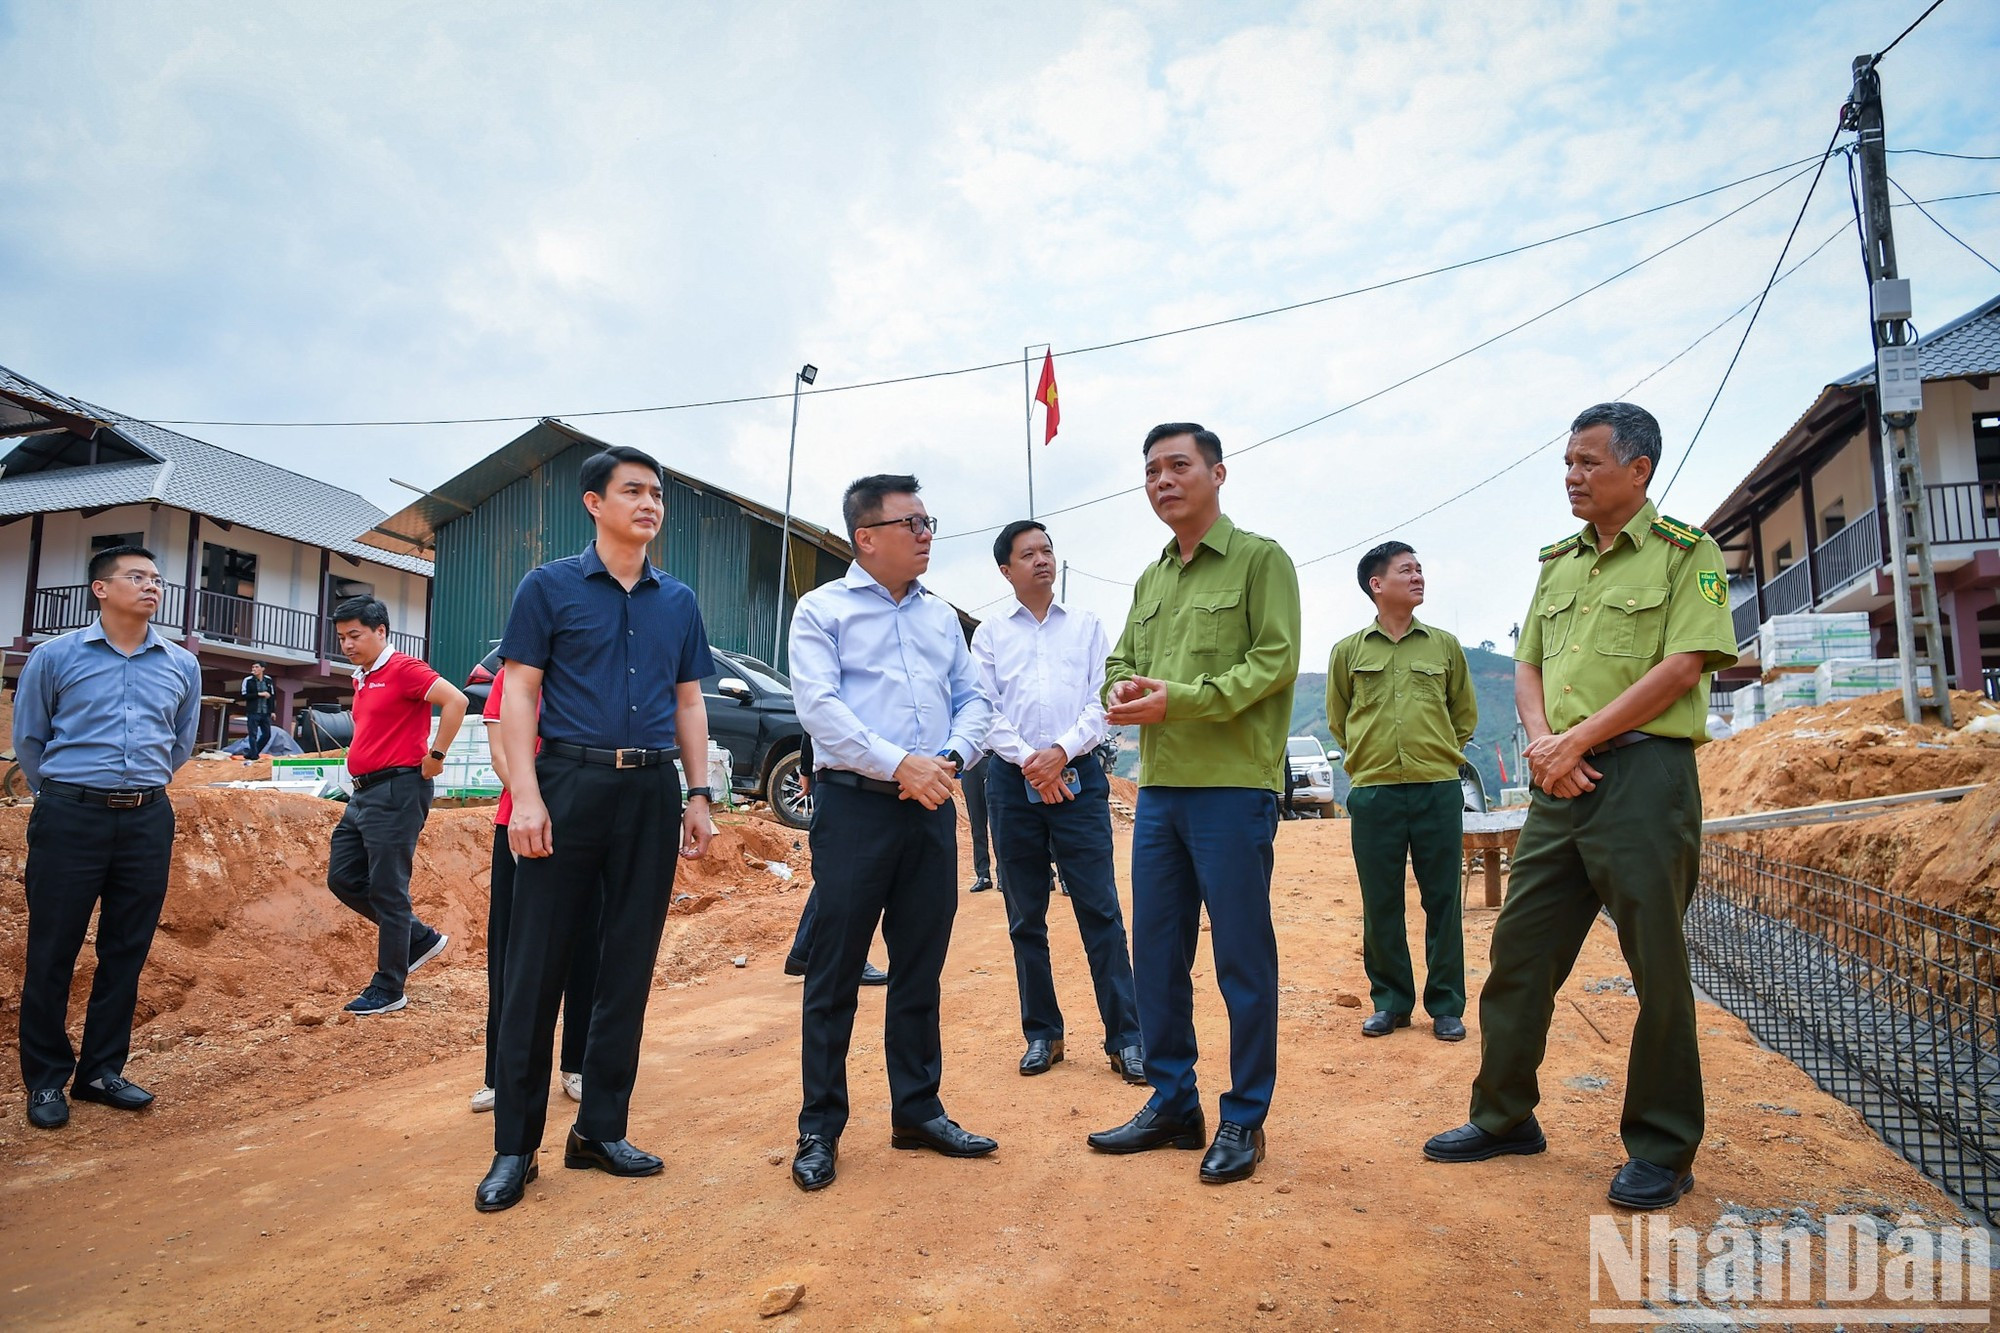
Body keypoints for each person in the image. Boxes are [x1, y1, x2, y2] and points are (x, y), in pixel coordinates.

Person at [1422, 402, 1737, 1213]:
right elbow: (1527, 665)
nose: (1572, 475)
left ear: (1638, 470)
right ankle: (1503, 1116)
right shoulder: (1559, 562)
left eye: (1589, 462)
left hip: (1644, 780)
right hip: (1559, 785)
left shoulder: (1685, 553)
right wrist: (1541, 744)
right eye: (1567, 462)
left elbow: (1682, 667)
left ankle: (1664, 1147)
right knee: (1520, 953)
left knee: (1656, 969)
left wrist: (1578, 740)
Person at [477, 444, 717, 1214]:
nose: (650, 504)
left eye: (657, 494)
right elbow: (518, 694)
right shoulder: (547, 588)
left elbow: (689, 703)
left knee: (626, 966)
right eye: (634, 491)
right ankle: (516, 1147)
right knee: (535, 968)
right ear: (594, 502)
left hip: (650, 791)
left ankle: (599, 1130)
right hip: (566, 785)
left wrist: (700, 792)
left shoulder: (677, 601)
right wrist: (527, 794)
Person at [1089, 423, 1300, 1185]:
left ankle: (1244, 1115)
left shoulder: (1259, 561)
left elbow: (1274, 663)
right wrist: (1120, 685)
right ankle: (1174, 1101)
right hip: (1162, 790)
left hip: (1233, 786)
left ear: (1217, 472)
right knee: (1158, 955)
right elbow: (1122, 658)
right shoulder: (1152, 580)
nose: (1163, 480)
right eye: (1150, 471)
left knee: (1242, 957)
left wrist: (1178, 699)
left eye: (1178, 466)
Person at [787, 474, 995, 1193]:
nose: (926, 532)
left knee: (920, 965)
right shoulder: (822, 611)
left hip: (931, 805)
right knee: (835, 970)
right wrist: (897, 762)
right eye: (911, 522)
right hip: (856, 809)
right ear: (866, 537)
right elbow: (818, 706)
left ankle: (918, 1108)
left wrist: (949, 760)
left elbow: (975, 698)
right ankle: (820, 1127)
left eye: (929, 519)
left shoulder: (940, 618)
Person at [12, 545, 202, 1130]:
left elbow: (180, 743)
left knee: (126, 948)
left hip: (147, 818)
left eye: (156, 579)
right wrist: (72, 795)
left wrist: (139, 790)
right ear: (101, 588)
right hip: (70, 816)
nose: (151, 586)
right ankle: (46, 1080)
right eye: (136, 577)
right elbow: (30, 742)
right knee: (53, 949)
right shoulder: (55, 657)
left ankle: (100, 1071)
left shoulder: (180, 664)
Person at [971, 519, 1144, 1083]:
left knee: (1101, 911)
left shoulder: (1088, 626)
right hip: (1010, 782)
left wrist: (1060, 754)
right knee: (1026, 915)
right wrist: (1031, 761)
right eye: (1029, 553)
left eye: (1048, 550)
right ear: (1007, 570)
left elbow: (1103, 703)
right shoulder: (990, 634)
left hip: (1080, 779)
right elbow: (984, 708)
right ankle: (1042, 1033)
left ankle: (1126, 1038)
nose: (1042, 559)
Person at [1325, 542, 1478, 1043]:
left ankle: (1446, 1005)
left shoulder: (1445, 646)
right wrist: (1370, 757)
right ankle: (1390, 1002)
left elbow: (1464, 716)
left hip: (1437, 787)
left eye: (1420, 569)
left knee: (1443, 899)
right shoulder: (1348, 652)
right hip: (1374, 793)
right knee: (1381, 902)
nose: (1418, 577)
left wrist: (1435, 754)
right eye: (1406, 570)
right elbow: (1339, 719)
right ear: (1377, 584)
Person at [325, 597, 464, 1016]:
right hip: (363, 793)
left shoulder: (404, 669)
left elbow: (456, 700)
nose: (347, 644)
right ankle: (418, 938)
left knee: (388, 888)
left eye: (356, 635)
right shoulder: (362, 677)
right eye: (342, 638)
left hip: (398, 790)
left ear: (380, 631)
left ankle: (389, 987)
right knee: (344, 878)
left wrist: (435, 756)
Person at [469, 663, 599, 1113]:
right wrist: (536, 802)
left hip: (585, 827)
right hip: (521, 824)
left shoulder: (585, 673)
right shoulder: (511, 678)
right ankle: (500, 1072)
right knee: (512, 953)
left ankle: (578, 1062)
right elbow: (501, 753)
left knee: (587, 947)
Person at [783, 734, 889, 986]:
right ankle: (844, 956)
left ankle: (804, 951)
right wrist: (807, 768)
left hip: (841, 777)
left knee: (836, 874)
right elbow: (813, 722)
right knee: (845, 873)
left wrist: (807, 768)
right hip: (842, 781)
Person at [960, 755, 1001, 893]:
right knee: (977, 823)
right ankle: (983, 875)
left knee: (998, 823)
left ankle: (1002, 874)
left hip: (992, 758)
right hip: (970, 763)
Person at [240, 662, 277, 763]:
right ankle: (254, 755)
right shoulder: (248, 680)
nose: (254, 669)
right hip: (253, 711)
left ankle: (253, 752)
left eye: (257, 667)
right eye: (253, 667)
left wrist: (272, 711)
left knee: (267, 734)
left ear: (262, 669)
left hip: (265, 712)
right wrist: (259, 694)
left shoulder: (268, 680)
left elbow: (272, 696)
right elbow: (244, 695)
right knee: (253, 734)